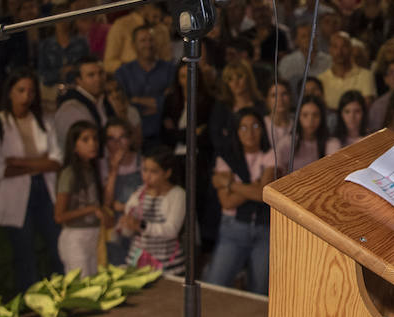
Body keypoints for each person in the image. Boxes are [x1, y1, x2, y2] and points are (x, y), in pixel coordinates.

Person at [0, 69, 62, 294]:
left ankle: (62, 289)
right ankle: (31, 297)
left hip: (44, 189)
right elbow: (0, 169)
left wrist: (20, 162)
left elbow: (56, 161)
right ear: (10, 93)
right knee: (24, 250)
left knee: (57, 244)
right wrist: (40, 162)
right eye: (21, 90)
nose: (27, 96)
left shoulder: (45, 121)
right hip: (16, 194)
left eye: (31, 91)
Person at [204, 108, 277, 293]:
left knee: (260, 289)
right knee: (215, 285)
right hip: (233, 228)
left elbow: (264, 194)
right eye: (243, 128)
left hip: (264, 229)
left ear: (262, 128)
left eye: (255, 126)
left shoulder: (270, 155)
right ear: (236, 132)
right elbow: (227, 202)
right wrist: (254, 186)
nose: (250, 133)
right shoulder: (226, 157)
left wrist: (230, 184)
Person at [53, 120, 111, 277]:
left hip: (93, 235)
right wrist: (91, 209)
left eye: (95, 139)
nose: (92, 144)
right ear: (74, 146)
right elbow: (59, 216)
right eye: (85, 140)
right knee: (81, 289)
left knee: (94, 283)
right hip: (75, 237)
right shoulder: (69, 173)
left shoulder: (92, 169)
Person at [117, 152, 186, 276]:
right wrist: (126, 224)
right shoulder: (139, 193)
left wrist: (141, 225)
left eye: (154, 171)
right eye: (145, 170)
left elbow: (171, 230)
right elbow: (128, 232)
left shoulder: (178, 194)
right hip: (137, 262)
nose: (147, 176)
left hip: (167, 265)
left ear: (167, 173)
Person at [114, 25, 177, 146]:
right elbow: (124, 104)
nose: (148, 44)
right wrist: (158, 102)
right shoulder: (122, 72)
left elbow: (171, 102)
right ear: (133, 45)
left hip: (164, 134)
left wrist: (136, 99)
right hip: (133, 135)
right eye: (143, 40)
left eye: (151, 40)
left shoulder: (170, 69)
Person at [100, 119, 144, 268]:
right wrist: (113, 170)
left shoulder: (142, 162)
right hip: (114, 227)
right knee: (117, 266)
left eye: (122, 137)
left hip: (137, 223)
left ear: (129, 139)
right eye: (111, 139)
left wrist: (126, 207)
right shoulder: (102, 165)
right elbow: (106, 203)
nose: (117, 143)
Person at [291, 95, 340, 171]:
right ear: (298, 117)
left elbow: (335, 170)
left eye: (315, 115)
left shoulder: (332, 143)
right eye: (305, 115)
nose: (310, 120)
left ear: (322, 118)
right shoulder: (288, 143)